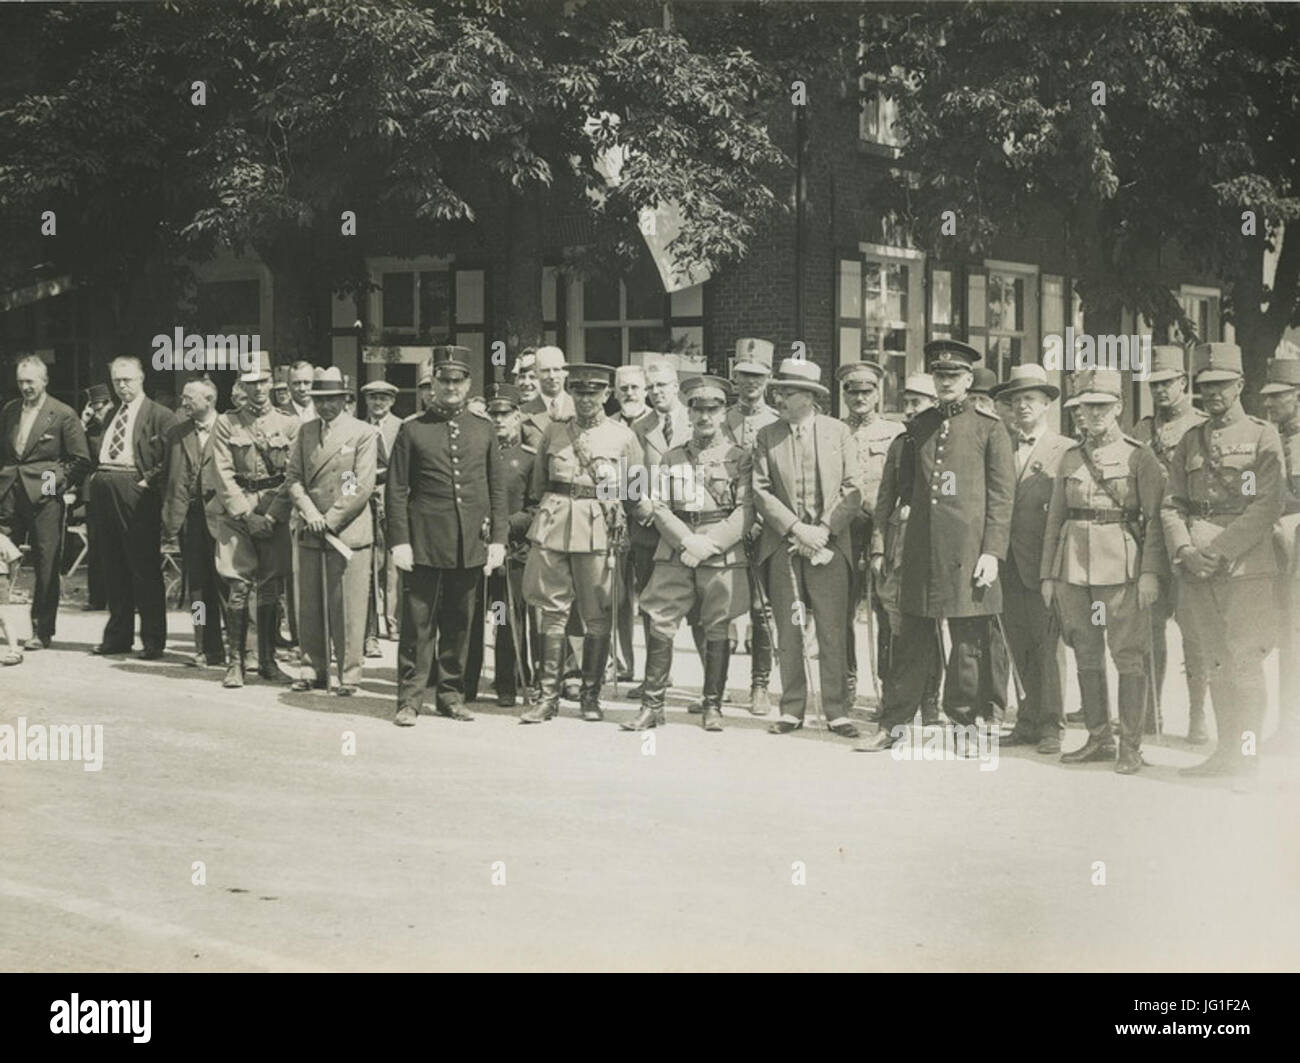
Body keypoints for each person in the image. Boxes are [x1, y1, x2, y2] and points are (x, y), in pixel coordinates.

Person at [856, 340, 1015, 752]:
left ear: (967, 380)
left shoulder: (989, 429)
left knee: (967, 645)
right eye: (939, 376)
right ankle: (894, 724)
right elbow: (903, 490)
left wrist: (992, 553)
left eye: (954, 376)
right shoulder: (918, 427)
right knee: (910, 641)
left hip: (968, 554)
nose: (946, 382)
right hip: (921, 553)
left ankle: (964, 727)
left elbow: (1001, 498)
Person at [1163, 343, 1284, 788]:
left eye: (1221, 385)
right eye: (1205, 386)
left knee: (1244, 664)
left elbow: (1266, 504)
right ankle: (1225, 751)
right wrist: (1184, 551)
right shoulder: (1190, 440)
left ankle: (1248, 760)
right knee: (1214, 661)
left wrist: (1220, 551)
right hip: (1197, 569)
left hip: (1246, 568)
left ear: (1240, 385)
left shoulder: (1261, 436)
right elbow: (1171, 503)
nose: (1213, 393)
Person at [1040, 369, 1166, 773]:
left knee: (1128, 655)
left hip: (1121, 570)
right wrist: (1048, 575)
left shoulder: (1139, 456)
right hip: (1074, 571)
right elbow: (1056, 520)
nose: (1091, 415)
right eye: (1083, 407)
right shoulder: (1070, 458)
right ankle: (1098, 738)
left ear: (1118, 408)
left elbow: (1156, 521)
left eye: (1100, 407)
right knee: (1086, 653)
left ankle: (1131, 745)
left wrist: (1150, 574)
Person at [623, 375, 752, 732]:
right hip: (676, 547)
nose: (705, 416)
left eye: (713, 409)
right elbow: (659, 507)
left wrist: (710, 543)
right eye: (698, 409)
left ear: (724, 412)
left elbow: (747, 510)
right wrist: (686, 542)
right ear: (690, 413)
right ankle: (653, 706)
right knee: (660, 619)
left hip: (719, 549)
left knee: (717, 623)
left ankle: (713, 706)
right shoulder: (671, 457)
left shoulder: (739, 458)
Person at [388, 347, 507, 726]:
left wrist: (498, 541)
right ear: (431, 385)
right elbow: (396, 490)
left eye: (458, 381)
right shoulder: (412, 430)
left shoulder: (483, 429)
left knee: (460, 623)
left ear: (468, 384)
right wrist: (400, 541)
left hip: (468, 543)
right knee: (417, 625)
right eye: (444, 381)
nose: (451, 387)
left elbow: (496, 490)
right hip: (423, 543)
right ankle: (409, 699)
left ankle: (451, 695)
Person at [520, 362, 643, 723]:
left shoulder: (622, 437)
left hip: (597, 528)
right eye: (580, 392)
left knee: (598, 614)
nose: (586, 399)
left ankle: (590, 696)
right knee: (552, 612)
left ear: (607, 394)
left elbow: (634, 493)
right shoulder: (555, 433)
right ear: (571, 393)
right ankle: (547, 698)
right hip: (554, 525)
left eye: (594, 392)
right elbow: (540, 485)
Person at [752, 358, 863, 737]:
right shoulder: (768, 436)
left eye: (787, 391)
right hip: (785, 545)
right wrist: (797, 528)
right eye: (779, 391)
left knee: (833, 628)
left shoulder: (839, 433)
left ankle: (836, 710)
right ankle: (792, 708)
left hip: (830, 546)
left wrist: (824, 530)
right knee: (791, 627)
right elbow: (760, 490)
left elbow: (853, 488)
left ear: (810, 398)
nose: (779, 397)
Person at [989, 365, 1072, 755]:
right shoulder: (999, 443)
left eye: (1030, 400)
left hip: (1043, 563)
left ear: (1046, 405)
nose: (1022, 406)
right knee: (1017, 642)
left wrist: (1055, 569)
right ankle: (1026, 719)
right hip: (1005, 562)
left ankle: (1052, 724)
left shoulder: (1065, 450)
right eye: (1016, 400)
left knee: (1048, 645)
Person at [206, 351, 299, 686]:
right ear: (241, 385)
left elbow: (293, 475)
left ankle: (268, 660)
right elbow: (221, 472)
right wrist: (246, 514)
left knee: (272, 586)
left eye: (262, 381)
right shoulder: (227, 423)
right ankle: (236, 662)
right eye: (250, 383)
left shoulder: (289, 424)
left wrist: (272, 515)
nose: (258, 389)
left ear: (272, 381)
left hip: (275, 511)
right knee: (237, 586)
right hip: (237, 513)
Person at [285, 367, 378, 695]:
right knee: (309, 604)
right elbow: (293, 477)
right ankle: (312, 669)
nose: (326, 406)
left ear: (345, 400)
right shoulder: (305, 432)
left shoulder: (362, 433)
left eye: (332, 399)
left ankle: (349, 674)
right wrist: (309, 512)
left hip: (346, 531)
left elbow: (359, 484)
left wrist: (331, 518)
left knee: (348, 607)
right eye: (320, 400)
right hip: (311, 529)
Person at [1133, 345, 1210, 742]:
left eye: (1168, 383)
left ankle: (1197, 714)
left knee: (1195, 631)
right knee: (1148, 629)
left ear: (1183, 383)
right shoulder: (1140, 430)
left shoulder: (1200, 427)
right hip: (1150, 542)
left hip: (1186, 536)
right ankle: (1151, 712)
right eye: (1155, 384)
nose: (1161, 391)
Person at [87, 356, 177, 658]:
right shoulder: (111, 413)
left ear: (142, 379)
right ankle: (118, 636)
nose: (122, 386)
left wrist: (146, 482)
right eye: (116, 381)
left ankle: (152, 640)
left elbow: (171, 458)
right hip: (105, 484)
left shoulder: (160, 415)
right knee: (112, 565)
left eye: (127, 379)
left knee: (143, 566)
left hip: (135, 491)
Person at [0, 355, 90, 649]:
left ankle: (42, 630)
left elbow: (80, 460)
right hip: (10, 494)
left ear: (44, 381)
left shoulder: (62, 413)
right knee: (0, 557)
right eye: (21, 381)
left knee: (46, 562)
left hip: (46, 499)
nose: (25, 387)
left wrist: (51, 487)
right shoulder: (10, 411)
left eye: (31, 382)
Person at [869, 373, 939, 723]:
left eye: (918, 402)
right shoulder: (899, 444)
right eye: (907, 402)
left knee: (930, 625)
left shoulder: (943, 441)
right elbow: (884, 500)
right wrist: (879, 549)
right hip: (899, 544)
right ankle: (893, 699)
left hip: (933, 544)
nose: (910, 409)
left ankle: (930, 701)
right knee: (895, 625)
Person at [837, 359, 904, 708]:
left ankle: (887, 687)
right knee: (841, 612)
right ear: (844, 394)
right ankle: (846, 684)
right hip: (845, 532)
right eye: (853, 391)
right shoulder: (833, 431)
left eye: (867, 391)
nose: (860, 397)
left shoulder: (895, 432)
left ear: (878, 393)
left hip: (883, 533)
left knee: (885, 610)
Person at [464, 383, 536, 707]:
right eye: (493, 413)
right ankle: (466, 683)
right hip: (475, 550)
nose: (498, 419)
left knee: (504, 617)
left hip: (512, 552)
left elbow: (535, 508)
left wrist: (503, 530)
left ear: (518, 415)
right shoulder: (474, 454)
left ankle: (506, 682)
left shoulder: (528, 459)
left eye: (505, 413)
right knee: (472, 616)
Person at [723, 338, 781, 716]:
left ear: (769, 378)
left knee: (762, 609)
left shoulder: (776, 422)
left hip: (763, 527)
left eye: (757, 376)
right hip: (725, 521)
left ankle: (759, 684)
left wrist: (761, 520)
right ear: (734, 377)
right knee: (722, 605)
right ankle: (719, 683)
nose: (750, 383)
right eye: (744, 375)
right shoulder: (720, 417)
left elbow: (779, 479)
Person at [161, 377, 226, 667]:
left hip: (225, 519)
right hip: (191, 521)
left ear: (209, 400)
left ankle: (237, 652)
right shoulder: (177, 434)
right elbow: (168, 477)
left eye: (190, 398)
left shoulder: (229, 428)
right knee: (197, 590)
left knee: (229, 587)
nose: (183, 402)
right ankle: (204, 647)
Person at [606, 364, 657, 685]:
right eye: (623, 388)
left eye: (635, 388)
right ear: (614, 391)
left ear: (646, 390)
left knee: (651, 600)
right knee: (615, 599)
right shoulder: (606, 425)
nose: (629, 393)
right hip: (614, 523)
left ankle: (654, 672)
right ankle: (622, 664)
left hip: (650, 524)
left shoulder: (656, 424)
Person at [1260, 356, 1300, 747]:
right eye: (1268, 398)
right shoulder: (1277, 438)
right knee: (1289, 639)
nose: (1270, 405)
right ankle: (1289, 726)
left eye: (1280, 397)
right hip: (1284, 550)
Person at [361, 378, 403, 655]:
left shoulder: (402, 427)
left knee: (394, 565)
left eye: (383, 398)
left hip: (394, 500)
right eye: (374, 398)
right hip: (365, 502)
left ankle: (395, 622)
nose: (378, 403)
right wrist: (352, 496)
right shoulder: (357, 428)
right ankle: (369, 632)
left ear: (392, 401)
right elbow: (348, 470)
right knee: (368, 566)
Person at [80, 382, 114, 611]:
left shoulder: (118, 424)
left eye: (100, 406)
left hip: (118, 489)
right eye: (93, 407)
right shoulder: (90, 430)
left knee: (122, 544)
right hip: (94, 492)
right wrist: (83, 422)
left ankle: (124, 598)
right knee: (96, 545)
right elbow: (77, 452)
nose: (98, 411)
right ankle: (97, 597)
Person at [520, 346, 574, 448]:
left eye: (557, 369)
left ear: (566, 371)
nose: (552, 376)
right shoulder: (523, 413)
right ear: (536, 373)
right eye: (545, 370)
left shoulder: (579, 408)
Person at [0, 530, 25, 665]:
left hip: (0, 580)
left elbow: (14, 561)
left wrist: (10, 582)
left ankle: (14, 650)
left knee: (4, 617)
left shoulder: (2, 539)